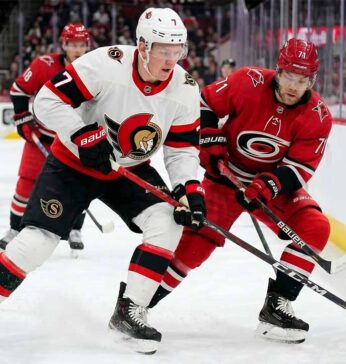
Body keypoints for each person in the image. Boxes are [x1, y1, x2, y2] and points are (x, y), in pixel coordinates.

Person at [0, 8, 205, 354]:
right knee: (34, 244)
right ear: (142, 45)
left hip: (129, 169)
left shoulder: (185, 89)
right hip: (72, 164)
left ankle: (130, 311)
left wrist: (189, 190)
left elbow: (182, 150)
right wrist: (81, 134)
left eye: (177, 50)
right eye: (163, 50)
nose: (171, 60)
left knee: (167, 222)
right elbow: (47, 101)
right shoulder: (106, 63)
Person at [149, 38, 332, 344]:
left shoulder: (318, 115)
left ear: (311, 80)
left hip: (270, 189)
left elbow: (300, 168)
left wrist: (267, 185)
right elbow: (205, 104)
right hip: (226, 178)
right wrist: (211, 140)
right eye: (288, 76)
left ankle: (276, 307)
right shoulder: (248, 81)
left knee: (314, 228)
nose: (293, 86)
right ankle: (139, 304)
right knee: (193, 248)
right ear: (278, 70)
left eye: (302, 80)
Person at [0, 23, 91, 253]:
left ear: (87, 46)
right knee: (26, 183)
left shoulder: (96, 69)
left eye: (81, 45)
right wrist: (22, 119)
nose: (77, 50)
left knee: (78, 186)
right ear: (63, 45)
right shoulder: (45, 65)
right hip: (43, 135)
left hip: (75, 140)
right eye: (72, 45)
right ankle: (14, 229)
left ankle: (74, 228)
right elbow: (19, 90)